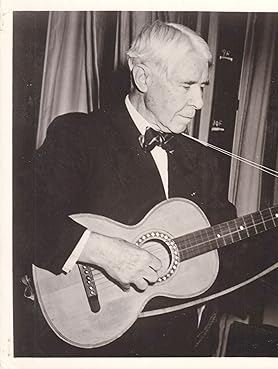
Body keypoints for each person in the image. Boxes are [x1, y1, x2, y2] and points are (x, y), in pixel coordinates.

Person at [32, 20, 241, 357]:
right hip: (92, 350)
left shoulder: (203, 161)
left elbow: (233, 255)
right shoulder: (79, 135)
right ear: (143, 77)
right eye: (187, 85)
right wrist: (101, 250)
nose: (199, 102)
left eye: (202, 85)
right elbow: (19, 215)